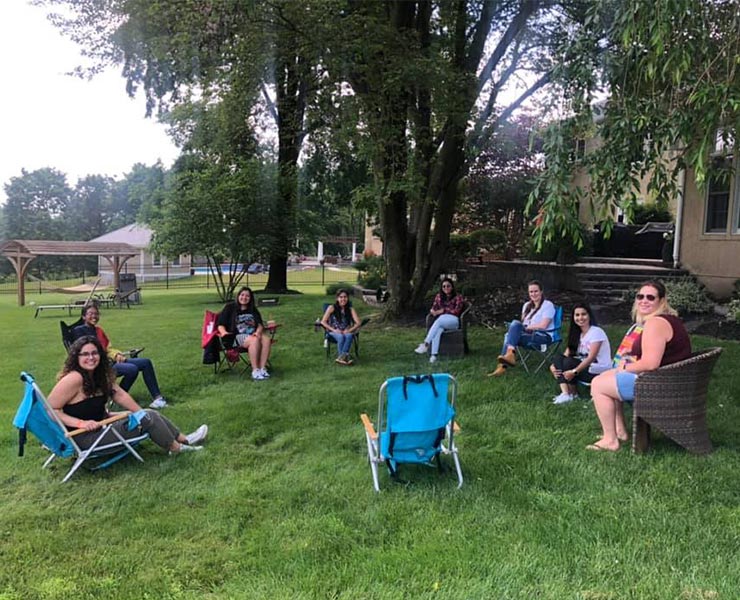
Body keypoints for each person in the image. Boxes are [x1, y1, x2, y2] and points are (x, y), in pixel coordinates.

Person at [48, 336, 208, 455]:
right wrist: (81, 423)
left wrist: (139, 413)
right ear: (77, 357)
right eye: (85, 354)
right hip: (84, 439)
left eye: (95, 353)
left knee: (148, 413)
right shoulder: (74, 379)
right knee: (146, 417)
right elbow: (51, 409)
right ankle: (176, 448)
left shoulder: (98, 375)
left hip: (100, 428)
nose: (91, 357)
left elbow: (120, 395)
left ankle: (184, 439)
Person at [587, 280, 691, 452]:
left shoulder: (655, 323)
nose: (644, 300)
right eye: (640, 296)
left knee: (598, 385)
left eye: (650, 297)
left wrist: (624, 368)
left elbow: (651, 363)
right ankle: (619, 431)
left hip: (659, 387)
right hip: (669, 381)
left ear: (662, 301)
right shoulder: (669, 320)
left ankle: (610, 440)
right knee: (606, 377)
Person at [74, 303, 169, 409]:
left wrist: (117, 355)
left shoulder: (99, 330)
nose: (94, 316)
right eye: (90, 314)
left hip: (110, 361)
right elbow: (87, 351)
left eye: (96, 314)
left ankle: (158, 398)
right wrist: (109, 357)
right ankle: (116, 397)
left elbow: (108, 349)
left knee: (145, 362)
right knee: (132, 369)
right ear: (83, 316)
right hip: (100, 366)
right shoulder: (79, 331)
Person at [489, 280, 556, 377]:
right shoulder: (526, 306)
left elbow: (544, 326)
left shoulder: (548, 305)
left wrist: (526, 328)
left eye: (536, 291)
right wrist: (521, 328)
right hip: (528, 335)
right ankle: (508, 356)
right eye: (531, 292)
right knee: (510, 332)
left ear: (541, 291)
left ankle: (503, 365)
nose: (533, 294)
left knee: (512, 329)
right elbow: (523, 324)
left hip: (542, 337)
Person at [549, 302, 612, 404]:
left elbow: (591, 357)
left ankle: (572, 394)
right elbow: (565, 354)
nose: (580, 318)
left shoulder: (596, 332)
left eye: (583, 314)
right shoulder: (577, 333)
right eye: (577, 315)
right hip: (584, 368)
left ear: (589, 315)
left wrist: (574, 371)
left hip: (598, 370)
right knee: (558, 358)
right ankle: (566, 393)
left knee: (568, 362)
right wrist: (553, 366)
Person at [217, 286, 272, 381]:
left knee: (266, 339)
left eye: (247, 296)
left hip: (253, 334)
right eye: (242, 295)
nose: (244, 298)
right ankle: (255, 370)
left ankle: (262, 368)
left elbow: (259, 324)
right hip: (235, 336)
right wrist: (224, 333)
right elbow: (220, 324)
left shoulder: (253, 309)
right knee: (254, 340)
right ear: (238, 296)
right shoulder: (230, 307)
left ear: (250, 298)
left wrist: (258, 332)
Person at [414, 278, 465, 364]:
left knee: (438, 321)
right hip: (442, 320)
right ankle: (434, 356)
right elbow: (434, 308)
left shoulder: (458, 297)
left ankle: (426, 344)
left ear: (452, 287)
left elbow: (457, 311)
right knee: (437, 330)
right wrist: (432, 311)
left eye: (448, 286)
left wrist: (443, 311)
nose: (446, 288)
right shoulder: (439, 296)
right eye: (444, 286)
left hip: (454, 321)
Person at [321, 289, 361, 365]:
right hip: (334, 331)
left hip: (346, 331)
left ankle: (341, 358)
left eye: (345, 297)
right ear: (337, 298)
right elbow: (323, 321)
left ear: (348, 298)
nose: (343, 299)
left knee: (349, 335)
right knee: (340, 337)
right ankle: (344, 357)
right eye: (341, 297)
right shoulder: (331, 307)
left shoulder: (350, 309)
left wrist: (349, 330)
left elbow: (358, 323)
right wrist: (334, 330)